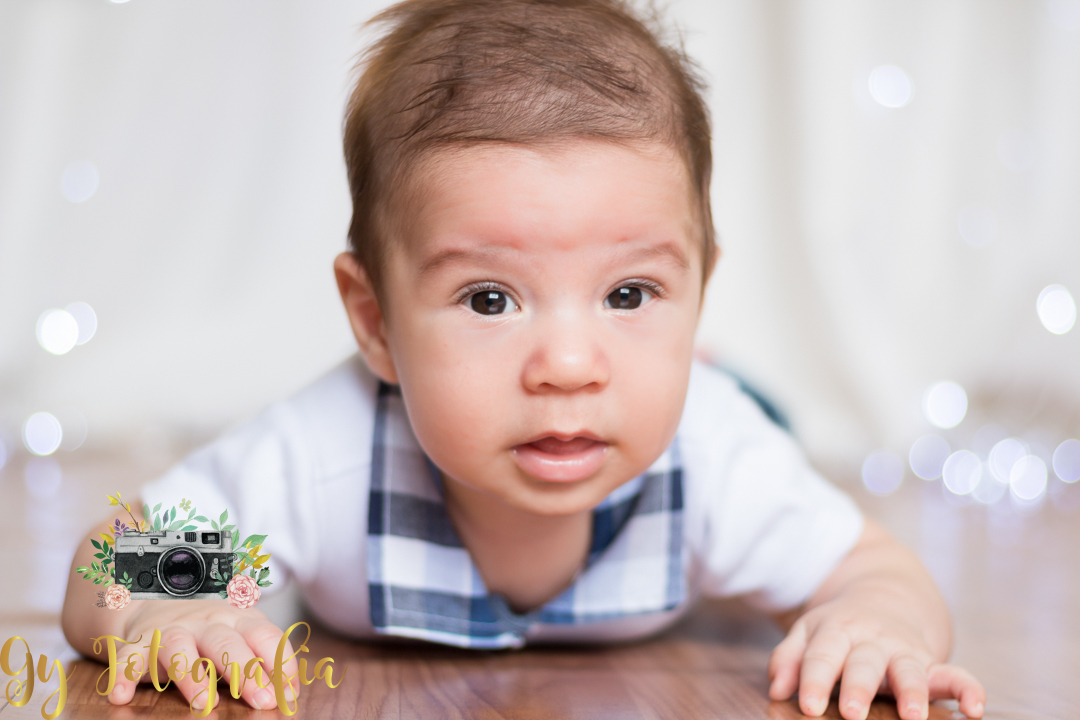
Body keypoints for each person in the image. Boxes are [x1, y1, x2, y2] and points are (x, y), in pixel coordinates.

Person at [61, 1, 986, 718]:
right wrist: (165, 611)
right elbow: (115, 556)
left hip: (715, 397)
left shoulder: (718, 453)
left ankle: (702, 353)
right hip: (652, 392)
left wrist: (877, 622)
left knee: (732, 405)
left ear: (701, 283)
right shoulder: (322, 453)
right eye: (490, 300)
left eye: (630, 293)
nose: (569, 365)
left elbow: (875, 569)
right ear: (375, 322)